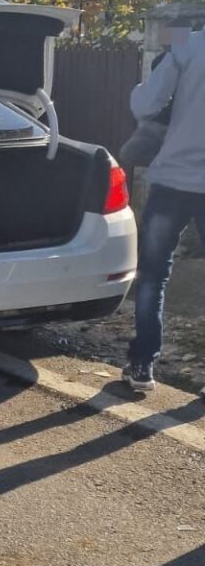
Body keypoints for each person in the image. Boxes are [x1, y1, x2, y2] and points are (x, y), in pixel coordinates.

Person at [121, 30, 205, 395]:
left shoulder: (189, 43)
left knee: (153, 276)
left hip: (174, 179)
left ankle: (143, 364)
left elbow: (145, 105)